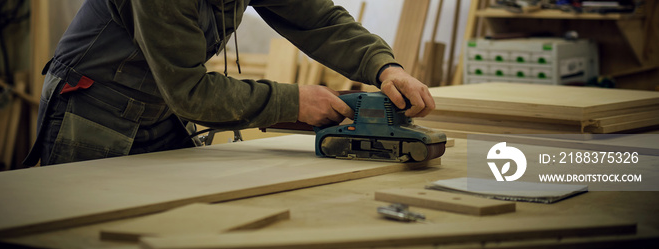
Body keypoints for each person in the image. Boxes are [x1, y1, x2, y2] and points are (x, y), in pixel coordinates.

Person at [24, 0, 436, 166]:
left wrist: (385, 68)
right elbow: (189, 91)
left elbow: (319, 20)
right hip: (94, 108)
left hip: (160, 106)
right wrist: (294, 102)